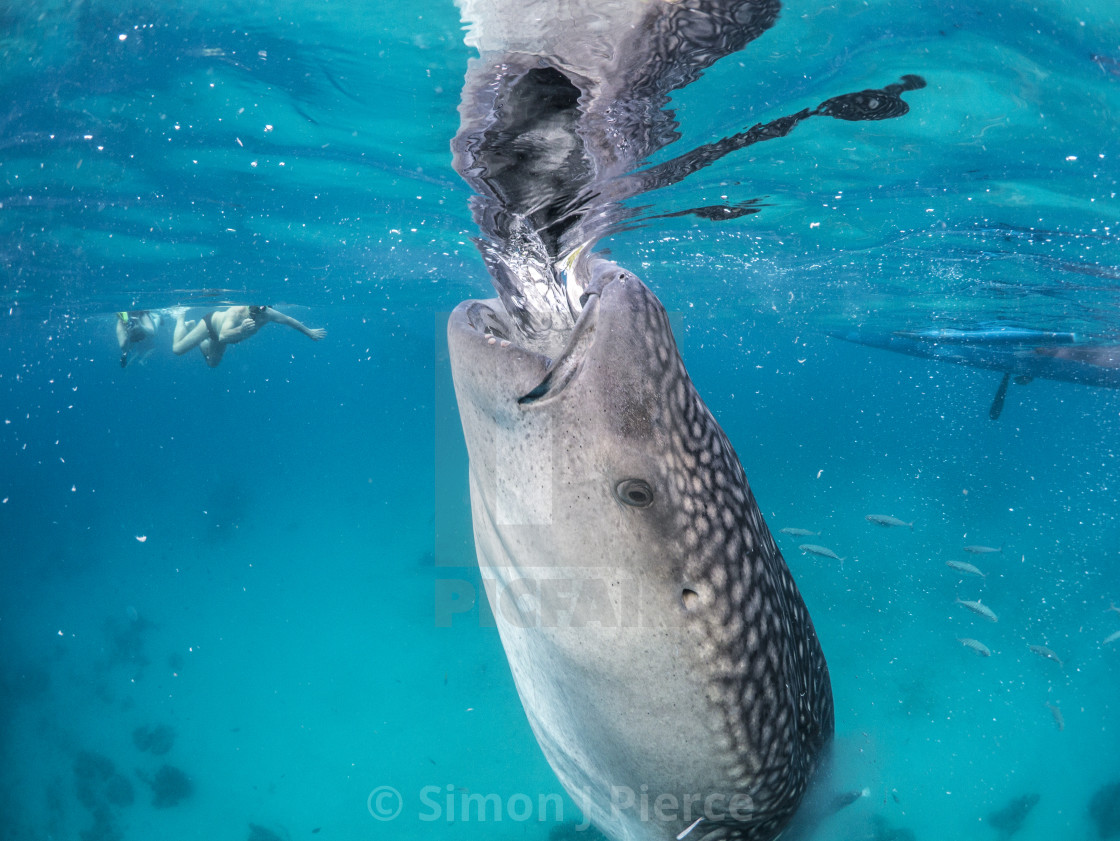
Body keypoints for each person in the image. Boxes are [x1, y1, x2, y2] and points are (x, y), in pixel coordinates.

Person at [171, 305, 326, 367]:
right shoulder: (235, 312)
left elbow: (288, 320)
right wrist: (241, 330)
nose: (257, 316)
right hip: (211, 325)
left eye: (261, 310)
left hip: (221, 336)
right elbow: (224, 335)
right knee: (177, 349)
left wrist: (309, 332)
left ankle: (195, 333)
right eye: (254, 312)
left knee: (212, 364)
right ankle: (181, 317)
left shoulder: (267, 313)